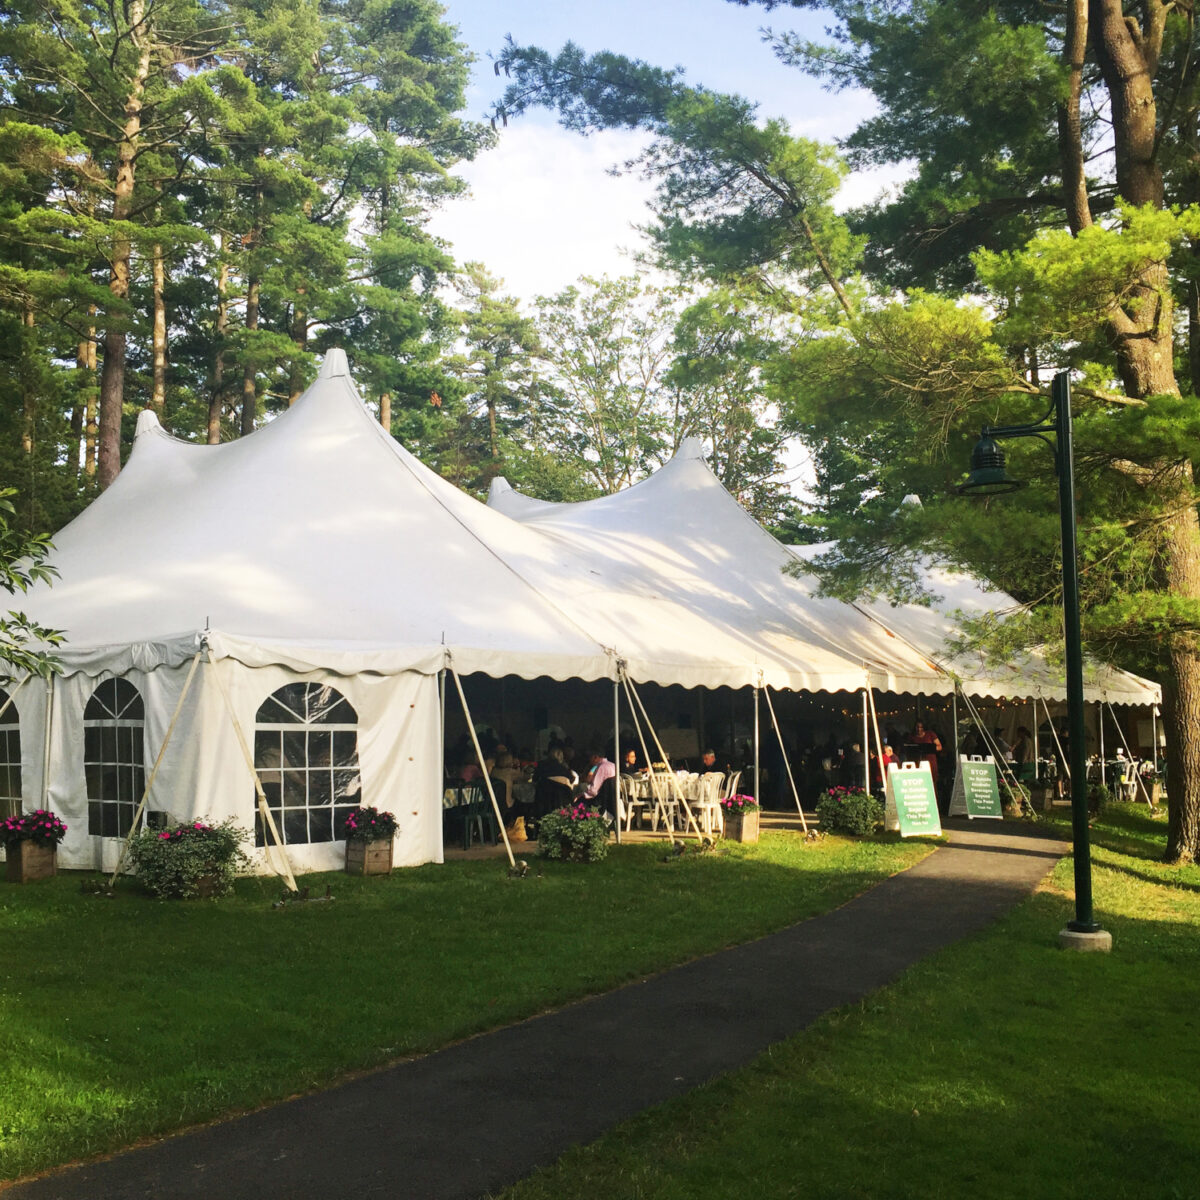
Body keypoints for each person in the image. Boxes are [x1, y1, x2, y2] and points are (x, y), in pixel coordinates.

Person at [910, 720, 942, 784]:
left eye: (921, 727)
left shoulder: (930, 734)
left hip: (930, 761)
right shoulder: (912, 737)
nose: (919, 729)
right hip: (918, 761)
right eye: (917, 727)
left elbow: (939, 747)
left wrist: (929, 748)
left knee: (932, 782)